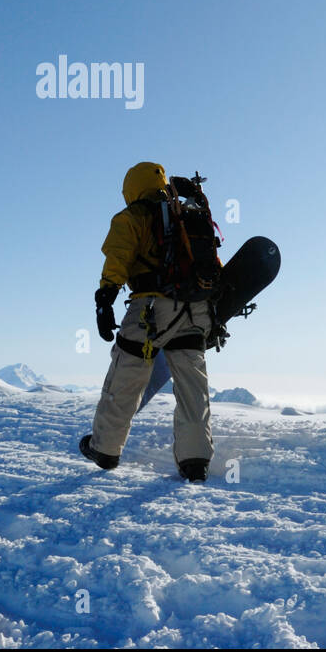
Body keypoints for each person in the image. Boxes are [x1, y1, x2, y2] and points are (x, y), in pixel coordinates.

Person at [79, 161, 216, 481]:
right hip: (196, 311)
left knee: (126, 377)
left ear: (132, 188)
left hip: (151, 311)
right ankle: (195, 460)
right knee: (193, 389)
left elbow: (118, 257)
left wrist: (105, 300)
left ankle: (105, 448)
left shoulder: (132, 217)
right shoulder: (188, 215)